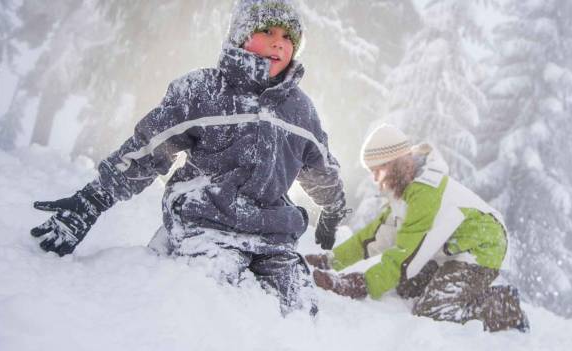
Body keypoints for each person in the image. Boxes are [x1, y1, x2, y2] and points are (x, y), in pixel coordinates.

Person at [29, 0, 348, 316]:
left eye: (289, 37)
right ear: (240, 36)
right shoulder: (204, 91)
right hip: (205, 223)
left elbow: (321, 167)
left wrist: (333, 208)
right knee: (211, 299)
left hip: (272, 235)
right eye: (267, 30)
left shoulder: (300, 110)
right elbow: (148, 150)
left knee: (299, 306)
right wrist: (93, 199)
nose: (280, 41)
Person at [306, 124, 529, 332]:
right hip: (450, 249)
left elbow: (406, 257)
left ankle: (502, 305)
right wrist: (330, 260)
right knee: (406, 287)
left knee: (432, 310)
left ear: (395, 163)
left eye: (378, 169)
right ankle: (454, 286)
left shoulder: (426, 193)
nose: (374, 178)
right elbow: (374, 237)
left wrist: (357, 284)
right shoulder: (405, 190)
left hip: (481, 248)